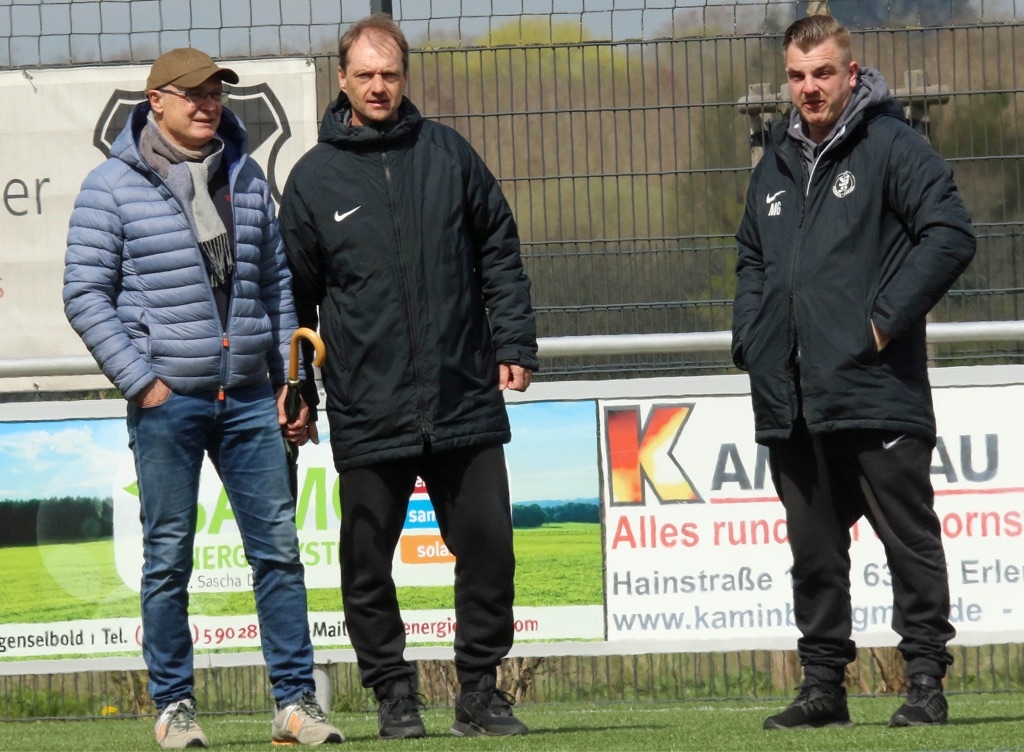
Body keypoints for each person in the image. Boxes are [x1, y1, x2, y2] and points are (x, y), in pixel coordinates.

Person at [63, 48, 344, 749]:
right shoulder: (109, 185)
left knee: (278, 554)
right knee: (167, 561)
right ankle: (174, 708)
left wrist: (287, 382)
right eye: (191, 94)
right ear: (155, 101)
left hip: (250, 396)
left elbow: (276, 284)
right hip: (168, 401)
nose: (207, 104)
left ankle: (295, 704)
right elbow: (85, 294)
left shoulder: (246, 176)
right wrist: (143, 382)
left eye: (215, 93)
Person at [279, 14, 538, 740]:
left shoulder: (449, 155)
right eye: (364, 74)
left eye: (389, 74)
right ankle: (394, 697)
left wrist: (514, 340)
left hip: (463, 397)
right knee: (366, 564)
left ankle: (480, 693)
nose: (378, 86)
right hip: (368, 404)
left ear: (404, 77)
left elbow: (499, 249)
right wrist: (297, 388)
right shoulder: (312, 179)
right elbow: (293, 300)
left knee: (489, 549)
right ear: (341, 79)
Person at [731, 15, 975, 730]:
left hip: (876, 390)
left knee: (909, 545)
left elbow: (950, 234)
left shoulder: (892, 144)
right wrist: (752, 337)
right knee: (813, 554)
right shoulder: (775, 162)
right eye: (798, 76)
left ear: (851, 73)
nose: (810, 88)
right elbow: (751, 258)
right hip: (792, 395)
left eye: (823, 74)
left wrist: (880, 323)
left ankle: (924, 682)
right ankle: (823, 689)